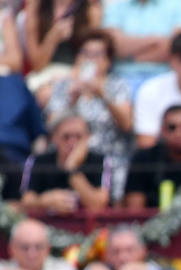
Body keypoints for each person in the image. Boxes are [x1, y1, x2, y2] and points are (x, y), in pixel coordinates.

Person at [41, 30, 134, 193]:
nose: (91, 59)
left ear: (108, 61)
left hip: (107, 159)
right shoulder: (63, 86)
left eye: (98, 54)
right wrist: (72, 101)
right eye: (85, 53)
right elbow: (51, 126)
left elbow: (126, 124)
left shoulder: (118, 86)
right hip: (67, 159)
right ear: (77, 58)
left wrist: (102, 95)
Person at [19, 113, 111, 213]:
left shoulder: (99, 161)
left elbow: (98, 205)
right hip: (47, 225)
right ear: (54, 137)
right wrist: (47, 201)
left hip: (88, 226)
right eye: (66, 137)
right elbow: (26, 202)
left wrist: (71, 168)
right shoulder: (38, 161)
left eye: (78, 137)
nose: (72, 143)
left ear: (87, 138)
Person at [102, 0, 181, 90]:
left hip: (165, 79)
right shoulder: (116, 6)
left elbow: (176, 47)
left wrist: (128, 56)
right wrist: (156, 42)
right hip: (121, 79)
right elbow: (113, 46)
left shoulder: (180, 4)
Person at [82, 224, 180, 270]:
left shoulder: (153, 269)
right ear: (108, 255)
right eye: (116, 251)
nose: (123, 257)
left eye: (130, 250)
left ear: (142, 251)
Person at [0, 218, 77, 270]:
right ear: (11, 249)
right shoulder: (3, 269)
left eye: (39, 247)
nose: (32, 254)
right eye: (25, 247)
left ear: (48, 249)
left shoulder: (64, 269)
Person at [0, 74, 47, 164]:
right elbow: (39, 136)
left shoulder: (17, 84)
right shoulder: (18, 84)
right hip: (14, 151)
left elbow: (39, 134)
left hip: (14, 151)